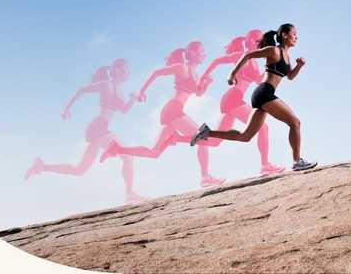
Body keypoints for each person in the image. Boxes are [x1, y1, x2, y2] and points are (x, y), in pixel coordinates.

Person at [191, 24, 317, 171]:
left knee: (245, 136)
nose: (296, 37)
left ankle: (206, 132)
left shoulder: (286, 56)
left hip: (263, 94)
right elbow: (248, 55)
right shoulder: (274, 50)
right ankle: (297, 161)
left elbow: (289, 76)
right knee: (295, 123)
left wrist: (299, 66)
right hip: (265, 93)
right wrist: (232, 74)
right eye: (294, 34)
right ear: (284, 35)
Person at [100, 41, 226, 187]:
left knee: (154, 152)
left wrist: (206, 83)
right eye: (201, 51)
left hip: (172, 111)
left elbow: (198, 93)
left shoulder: (194, 73)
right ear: (191, 52)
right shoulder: (181, 68)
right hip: (173, 109)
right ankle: (205, 177)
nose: (204, 54)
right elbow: (156, 73)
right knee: (203, 137)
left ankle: (117, 149)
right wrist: (141, 91)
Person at [24, 59, 148, 204]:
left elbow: (125, 110)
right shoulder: (106, 84)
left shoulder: (118, 90)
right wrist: (66, 109)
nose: (127, 72)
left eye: (128, 70)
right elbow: (81, 90)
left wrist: (134, 98)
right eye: (125, 69)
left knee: (79, 170)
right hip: (98, 128)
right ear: (116, 70)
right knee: (127, 156)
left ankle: (42, 166)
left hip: (98, 128)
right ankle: (129, 194)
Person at [196, 30, 285, 176]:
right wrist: (202, 79)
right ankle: (265, 165)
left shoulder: (256, 62)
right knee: (263, 127)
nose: (258, 43)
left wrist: (274, 69)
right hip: (233, 98)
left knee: (214, 142)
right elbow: (216, 61)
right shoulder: (241, 56)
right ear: (248, 41)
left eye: (260, 41)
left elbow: (258, 80)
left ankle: (177, 137)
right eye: (255, 40)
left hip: (233, 99)